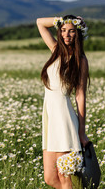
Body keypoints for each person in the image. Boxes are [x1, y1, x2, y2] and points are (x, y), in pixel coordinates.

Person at [36, 15, 90, 189]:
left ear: (78, 34)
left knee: (65, 176)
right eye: (63, 30)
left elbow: (80, 96)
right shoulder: (55, 50)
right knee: (50, 178)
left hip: (64, 119)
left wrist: (81, 132)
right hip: (50, 119)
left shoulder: (80, 60)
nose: (67, 34)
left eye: (72, 31)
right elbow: (39, 22)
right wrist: (62, 20)